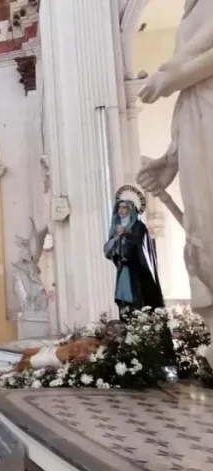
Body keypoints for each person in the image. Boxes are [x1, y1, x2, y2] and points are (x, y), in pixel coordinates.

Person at [137, 0, 213, 365]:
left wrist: (168, 78)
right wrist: (171, 160)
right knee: (201, 233)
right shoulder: (191, 10)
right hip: (195, 122)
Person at [103, 199, 164, 316]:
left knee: (138, 296)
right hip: (123, 267)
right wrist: (118, 238)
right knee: (124, 298)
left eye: (125, 207)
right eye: (119, 207)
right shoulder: (116, 227)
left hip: (138, 268)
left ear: (130, 210)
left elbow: (138, 244)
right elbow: (108, 249)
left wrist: (126, 234)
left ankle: (140, 322)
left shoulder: (138, 226)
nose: (121, 210)